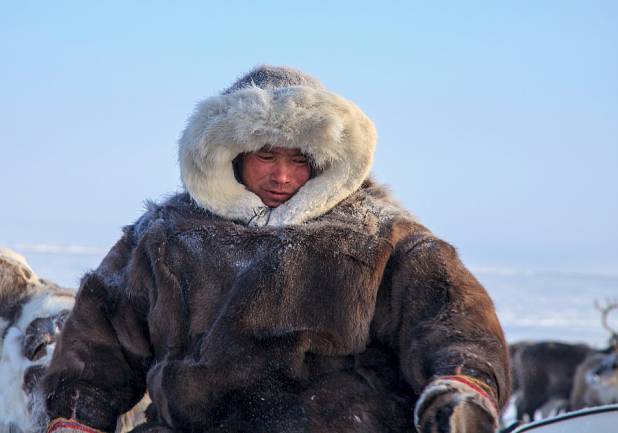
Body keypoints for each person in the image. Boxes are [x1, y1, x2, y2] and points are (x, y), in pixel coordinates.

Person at [43, 66, 510, 433]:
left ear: (324, 161)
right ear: (233, 155)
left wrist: (461, 386)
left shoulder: (379, 235)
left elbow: (450, 318)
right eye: (267, 155)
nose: (281, 176)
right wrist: (77, 416)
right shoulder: (164, 237)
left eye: (298, 160)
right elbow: (99, 338)